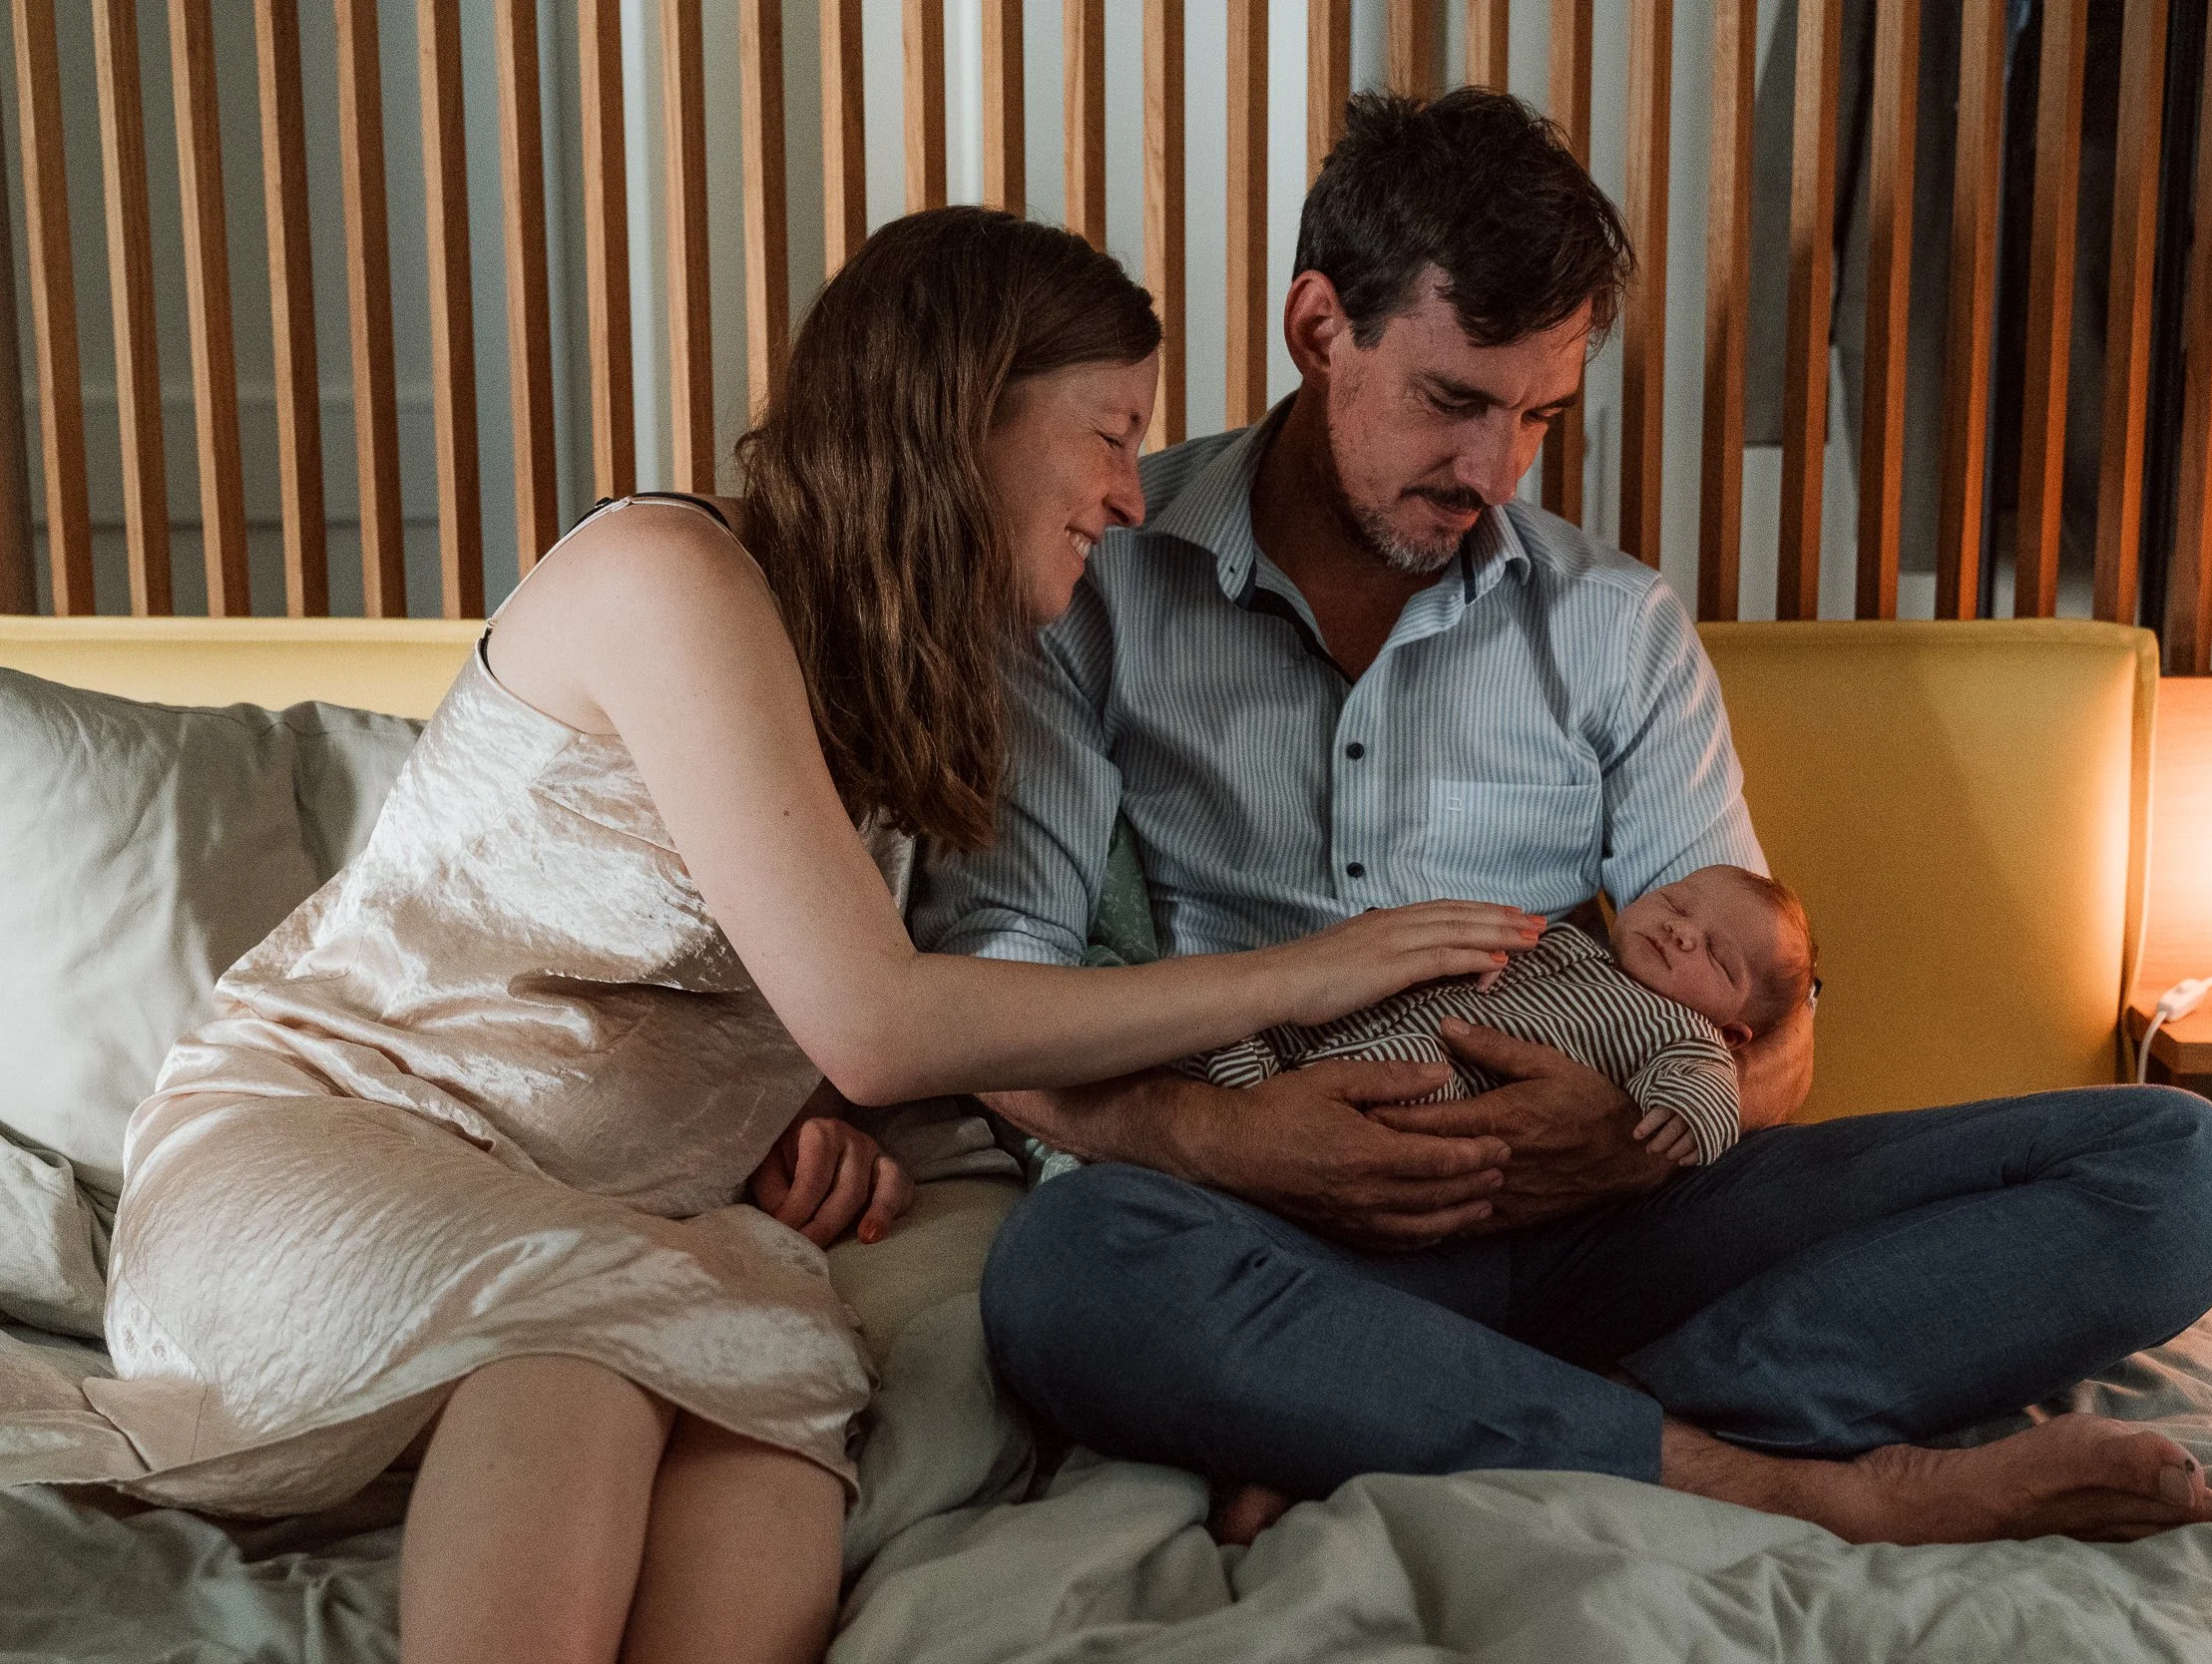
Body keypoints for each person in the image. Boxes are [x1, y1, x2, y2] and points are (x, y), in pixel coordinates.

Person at [86, 208, 1537, 1664]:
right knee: (589, 1337)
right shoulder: (667, 574)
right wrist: (1307, 972)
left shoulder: (911, 692)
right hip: (326, 1148)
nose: (1129, 496)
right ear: (965, 413)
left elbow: (816, 1016)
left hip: (618, 1217)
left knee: (777, 1368)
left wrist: (817, 1114)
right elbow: (880, 1013)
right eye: (1109, 432)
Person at [914, 91, 2212, 1548]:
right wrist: (1228, 1142)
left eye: (1539, 417)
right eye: (1454, 400)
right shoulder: (1093, 582)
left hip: (1623, 1223)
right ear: (1321, 328)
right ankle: (1781, 1471)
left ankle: (1519, 1414)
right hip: (1285, 1230)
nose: (1494, 472)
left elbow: (1773, 1024)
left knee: (2185, 1172)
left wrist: (1633, 1143)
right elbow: (995, 1006)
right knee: (1069, 1270)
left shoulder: (1616, 625)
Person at [1185, 865, 1818, 1166]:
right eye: (1678, 903)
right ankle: (1230, 1064)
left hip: (1454, 1071)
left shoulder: (1686, 1033)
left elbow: (1708, 1085)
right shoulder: (1568, 941)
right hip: (1411, 1006)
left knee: (1399, 1080)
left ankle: (1266, 1093)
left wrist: (1688, 1118)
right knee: (1279, 1018)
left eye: (1716, 954)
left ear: (1736, 1032)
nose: (1683, 933)